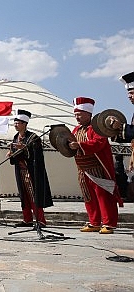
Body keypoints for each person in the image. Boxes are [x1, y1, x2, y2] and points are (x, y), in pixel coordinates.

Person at [68, 97, 121, 234]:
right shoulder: (76, 130)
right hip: (82, 169)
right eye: (75, 114)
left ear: (88, 114)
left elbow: (98, 144)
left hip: (97, 168)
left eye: (79, 114)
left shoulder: (97, 129)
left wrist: (79, 145)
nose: (77, 117)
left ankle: (109, 223)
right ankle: (94, 222)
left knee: (103, 196)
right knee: (88, 196)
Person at [7, 109, 53, 228]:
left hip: (31, 171)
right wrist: (11, 153)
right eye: (15, 122)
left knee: (34, 195)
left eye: (18, 123)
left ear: (24, 124)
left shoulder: (34, 137)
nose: (15, 125)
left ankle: (41, 220)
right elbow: (15, 154)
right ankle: (27, 219)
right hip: (20, 170)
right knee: (24, 195)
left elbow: (36, 156)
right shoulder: (15, 137)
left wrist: (24, 148)